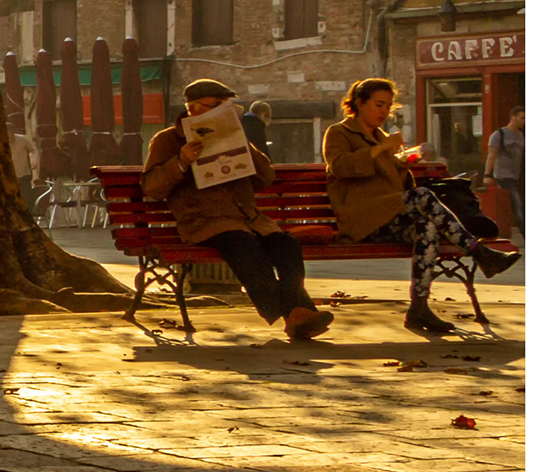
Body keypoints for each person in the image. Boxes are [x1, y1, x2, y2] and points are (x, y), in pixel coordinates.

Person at [325, 78, 521, 333]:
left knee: (425, 227)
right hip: (361, 218)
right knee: (422, 196)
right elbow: (340, 167)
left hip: (389, 216)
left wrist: (402, 162)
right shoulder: (339, 132)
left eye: (388, 106)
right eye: (379, 105)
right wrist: (381, 149)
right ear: (360, 103)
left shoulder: (381, 137)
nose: (384, 112)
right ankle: (478, 252)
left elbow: (396, 184)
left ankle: (419, 307)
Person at [142, 78, 330, 339]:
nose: (225, 112)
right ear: (194, 109)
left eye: (228, 107)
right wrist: (181, 161)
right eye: (217, 106)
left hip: (249, 219)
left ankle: (297, 314)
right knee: (244, 247)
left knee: (287, 247)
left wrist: (244, 147)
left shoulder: (234, 134)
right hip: (205, 221)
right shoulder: (167, 140)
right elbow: (152, 187)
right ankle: (297, 312)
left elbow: (265, 178)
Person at [484, 106, 525, 239]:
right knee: (517, 204)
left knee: (516, 204)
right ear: (513, 117)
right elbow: (491, 155)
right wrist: (487, 174)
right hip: (503, 175)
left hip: (516, 175)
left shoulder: (521, 135)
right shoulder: (499, 135)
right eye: (522, 118)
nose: (524, 121)